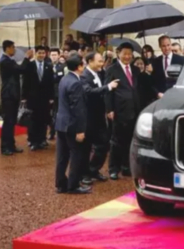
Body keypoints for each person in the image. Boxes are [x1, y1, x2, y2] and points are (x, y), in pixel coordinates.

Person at [105, 42, 142, 180]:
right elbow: (107, 91)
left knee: (130, 140)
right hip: (118, 110)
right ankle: (113, 168)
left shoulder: (136, 70)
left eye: (129, 54)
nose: (127, 56)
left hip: (134, 110)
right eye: (124, 53)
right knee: (116, 141)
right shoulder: (111, 69)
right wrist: (109, 109)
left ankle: (126, 167)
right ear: (118, 53)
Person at [81, 52, 119, 184]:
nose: (101, 64)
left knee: (103, 144)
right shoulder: (84, 76)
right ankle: (84, 173)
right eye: (99, 61)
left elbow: (109, 71)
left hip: (99, 116)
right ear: (90, 61)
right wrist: (108, 87)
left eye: (102, 61)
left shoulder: (100, 73)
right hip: (88, 117)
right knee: (86, 147)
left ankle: (94, 169)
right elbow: (88, 92)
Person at [55, 54, 89, 194]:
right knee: (76, 154)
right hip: (71, 124)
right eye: (83, 63)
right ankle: (73, 185)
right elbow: (78, 108)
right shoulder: (76, 83)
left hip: (61, 122)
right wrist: (80, 130)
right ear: (79, 66)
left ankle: (60, 184)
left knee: (62, 156)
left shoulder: (64, 79)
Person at [0, 40, 30, 156]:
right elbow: (20, 69)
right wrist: (26, 58)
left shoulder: (10, 60)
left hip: (14, 94)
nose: (14, 49)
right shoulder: (5, 61)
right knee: (8, 121)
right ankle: (5, 146)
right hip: (8, 95)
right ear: (7, 48)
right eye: (13, 47)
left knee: (12, 121)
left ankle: (11, 145)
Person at [22, 45, 54, 151]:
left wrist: (51, 97)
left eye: (43, 53)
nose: (41, 55)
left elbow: (51, 83)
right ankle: (32, 140)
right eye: (39, 53)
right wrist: (24, 97)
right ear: (35, 53)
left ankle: (42, 139)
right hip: (32, 97)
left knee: (44, 119)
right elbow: (25, 82)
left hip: (44, 98)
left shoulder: (49, 66)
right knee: (33, 120)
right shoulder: (30, 65)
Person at [49, 49, 65, 140]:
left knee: (57, 114)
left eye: (55, 54)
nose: (54, 56)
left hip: (59, 94)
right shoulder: (47, 66)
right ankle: (51, 132)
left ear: (59, 55)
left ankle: (58, 132)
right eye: (52, 55)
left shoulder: (63, 67)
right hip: (49, 94)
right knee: (49, 114)